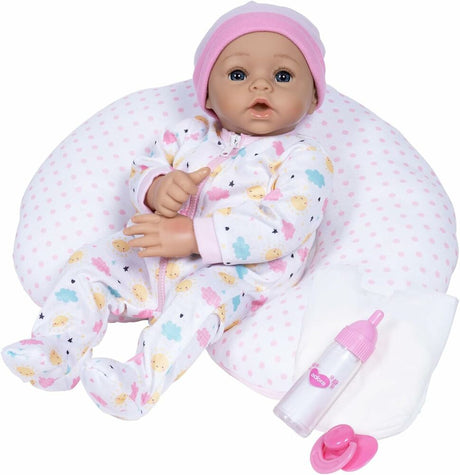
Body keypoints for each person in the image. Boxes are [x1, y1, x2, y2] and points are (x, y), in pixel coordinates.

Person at [2, 1, 333, 420]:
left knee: (196, 302)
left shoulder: (304, 158)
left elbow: (284, 226)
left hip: (239, 272)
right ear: (207, 93)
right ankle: (58, 349)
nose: (260, 85)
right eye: (237, 74)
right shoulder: (189, 133)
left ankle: (138, 384)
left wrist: (194, 235)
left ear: (313, 97)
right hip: (155, 254)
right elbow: (144, 167)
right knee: (92, 263)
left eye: (283, 76)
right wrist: (158, 188)